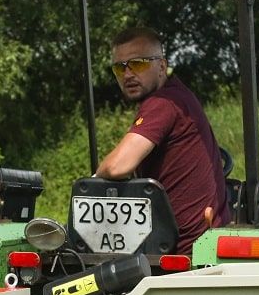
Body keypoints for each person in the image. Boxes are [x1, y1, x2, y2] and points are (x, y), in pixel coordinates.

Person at [95, 27, 232, 253]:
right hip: (182, 243)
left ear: (162, 66)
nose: (128, 75)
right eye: (120, 68)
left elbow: (118, 166)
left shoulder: (164, 102)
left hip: (184, 251)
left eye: (138, 64)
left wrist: (93, 178)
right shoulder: (176, 95)